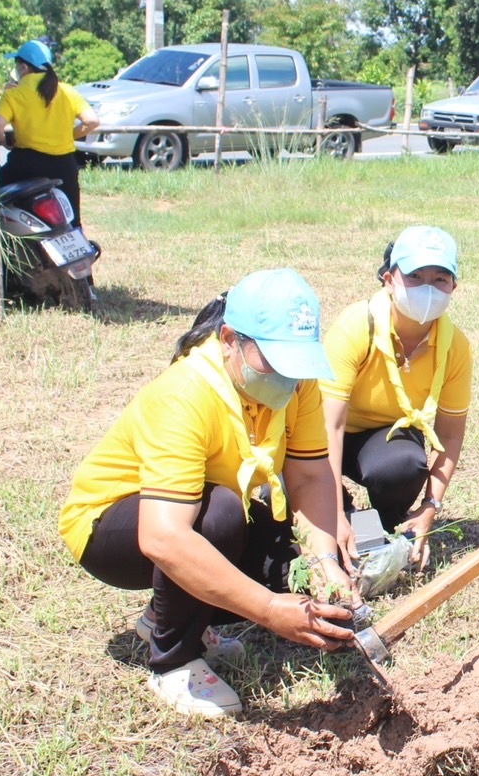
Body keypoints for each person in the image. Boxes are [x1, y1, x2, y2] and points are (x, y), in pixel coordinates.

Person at [58, 268, 356, 718]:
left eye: (296, 364)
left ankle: (170, 613)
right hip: (110, 527)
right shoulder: (185, 394)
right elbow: (164, 538)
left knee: (283, 555)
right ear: (230, 339)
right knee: (220, 514)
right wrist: (272, 610)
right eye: (273, 362)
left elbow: (310, 478)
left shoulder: (299, 383)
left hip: (198, 507)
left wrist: (324, 565)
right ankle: (174, 660)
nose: (287, 378)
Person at [321, 226, 473, 571]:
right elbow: (328, 425)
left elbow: (450, 435)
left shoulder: (455, 347)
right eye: (415, 276)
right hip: (322, 436)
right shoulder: (357, 326)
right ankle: (341, 511)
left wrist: (429, 507)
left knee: (404, 464)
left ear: (454, 287)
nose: (428, 288)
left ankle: (387, 526)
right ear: (389, 279)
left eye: (440, 279)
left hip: (381, 437)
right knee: (303, 506)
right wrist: (332, 512)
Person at [0, 39, 99, 224]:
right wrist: (68, 134)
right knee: (72, 221)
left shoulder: (14, 95)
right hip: (65, 166)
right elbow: (92, 121)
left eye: (17, 65)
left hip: (26, 164)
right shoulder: (67, 91)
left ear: (24, 68)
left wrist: (3, 141)